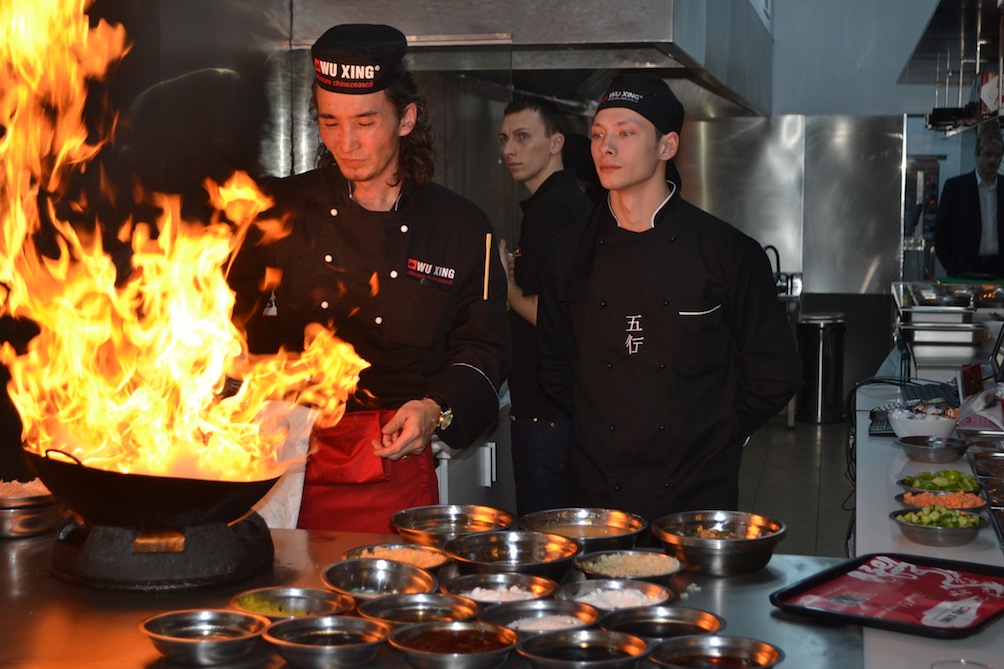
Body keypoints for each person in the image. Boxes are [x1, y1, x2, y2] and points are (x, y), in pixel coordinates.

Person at [229, 24, 511, 533]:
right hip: (281, 456)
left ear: (406, 119)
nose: (346, 143)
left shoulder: (461, 227)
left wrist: (435, 409)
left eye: (365, 122)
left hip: (394, 457)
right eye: (330, 122)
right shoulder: (278, 212)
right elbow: (221, 320)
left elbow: (483, 346)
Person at [536, 73, 802, 522]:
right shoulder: (568, 251)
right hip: (600, 487)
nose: (606, 147)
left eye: (626, 133)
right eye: (599, 134)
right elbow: (554, 366)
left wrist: (712, 431)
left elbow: (775, 373)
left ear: (667, 146)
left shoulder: (725, 252)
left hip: (696, 489)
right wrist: (602, 427)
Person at [496, 97, 592, 516]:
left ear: (556, 143)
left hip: (546, 409)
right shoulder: (566, 204)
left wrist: (506, 288)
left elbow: (552, 315)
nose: (509, 150)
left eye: (522, 137)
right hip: (562, 405)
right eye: (504, 139)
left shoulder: (552, 212)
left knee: (547, 537)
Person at [934, 130, 1004, 278]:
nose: (993, 160)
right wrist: (950, 266)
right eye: (988, 154)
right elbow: (941, 230)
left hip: (999, 267)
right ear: (977, 155)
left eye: (997, 156)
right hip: (965, 267)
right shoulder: (956, 187)